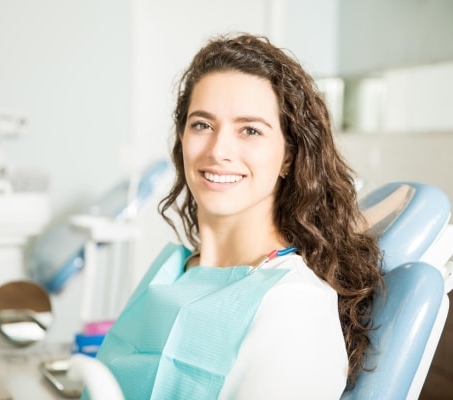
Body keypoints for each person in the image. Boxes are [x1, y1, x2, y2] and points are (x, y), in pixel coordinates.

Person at [86, 33, 384, 399]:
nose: (219, 150)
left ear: (288, 157)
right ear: (182, 140)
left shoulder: (292, 304)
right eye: (202, 124)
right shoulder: (177, 270)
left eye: (250, 130)